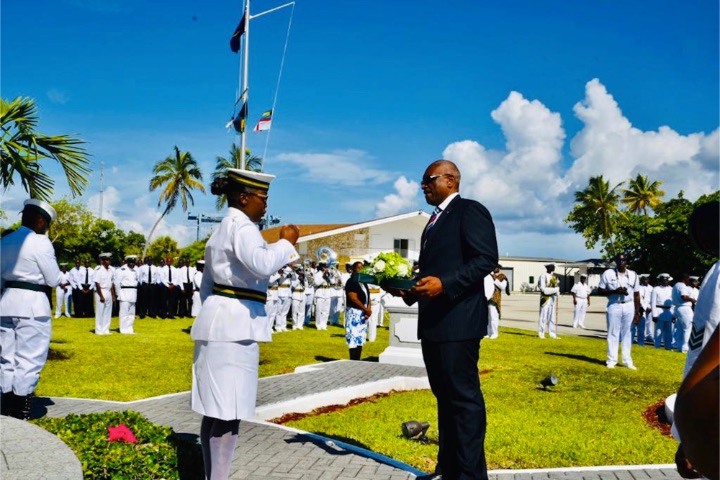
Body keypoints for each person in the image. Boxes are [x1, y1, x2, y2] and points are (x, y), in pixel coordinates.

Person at [391, 160, 498, 480]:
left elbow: (486, 259)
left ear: (450, 181)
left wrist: (445, 284)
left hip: (459, 322)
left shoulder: (469, 211)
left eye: (429, 180)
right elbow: (435, 272)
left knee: (464, 401)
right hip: (435, 322)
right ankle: (448, 469)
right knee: (445, 399)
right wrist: (413, 290)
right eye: (422, 181)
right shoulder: (434, 221)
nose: (423, 186)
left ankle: (469, 475)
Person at [190, 168, 300, 480]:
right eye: (262, 198)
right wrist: (286, 243)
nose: (265, 204)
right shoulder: (243, 227)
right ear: (244, 197)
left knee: (216, 409)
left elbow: (208, 285)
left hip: (218, 321)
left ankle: (214, 476)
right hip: (236, 327)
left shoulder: (222, 229)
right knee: (229, 413)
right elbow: (262, 264)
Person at [0, 199, 62, 420]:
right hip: (32, 305)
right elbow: (53, 279)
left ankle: (5, 408)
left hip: (6, 304)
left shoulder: (4, 241)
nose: (46, 228)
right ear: (39, 221)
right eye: (46, 224)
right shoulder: (40, 242)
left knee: (6, 358)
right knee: (29, 359)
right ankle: (21, 412)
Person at [597, 253, 641, 370]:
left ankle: (627, 360)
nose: (622, 262)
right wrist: (614, 291)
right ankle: (612, 360)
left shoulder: (633, 275)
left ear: (627, 261)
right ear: (615, 261)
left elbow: (636, 294)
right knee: (613, 332)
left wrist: (637, 312)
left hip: (628, 305)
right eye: (619, 260)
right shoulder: (608, 273)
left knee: (627, 333)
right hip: (614, 304)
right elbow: (600, 290)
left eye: (624, 260)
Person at [344, 261, 371, 360]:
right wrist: (365, 309)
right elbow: (353, 298)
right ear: (353, 269)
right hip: (354, 312)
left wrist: (368, 309)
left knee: (360, 337)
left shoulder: (363, 281)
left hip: (363, 312)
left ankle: (358, 359)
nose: (360, 269)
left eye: (362, 267)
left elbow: (368, 296)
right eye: (358, 267)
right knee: (353, 336)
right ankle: (353, 359)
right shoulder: (351, 281)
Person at [114, 255, 139, 334]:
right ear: (127, 262)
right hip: (124, 293)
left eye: (133, 262)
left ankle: (129, 328)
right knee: (124, 313)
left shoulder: (135, 271)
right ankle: (123, 329)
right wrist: (118, 294)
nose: (132, 264)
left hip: (133, 293)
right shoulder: (122, 270)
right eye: (131, 262)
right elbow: (117, 283)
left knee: (131, 313)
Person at [672, 273, 696, 353]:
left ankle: (679, 346)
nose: (688, 280)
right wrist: (692, 300)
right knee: (688, 328)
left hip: (678, 307)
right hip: (684, 308)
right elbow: (684, 297)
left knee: (679, 328)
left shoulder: (676, 285)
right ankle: (685, 347)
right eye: (688, 279)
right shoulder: (682, 285)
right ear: (684, 279)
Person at [94, 252, 116, 335]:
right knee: (100, 312)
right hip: (101, 291)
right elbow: (97, 284)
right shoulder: (99, 270)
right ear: (102, 261)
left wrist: (113, 295)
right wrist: (101, 296)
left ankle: (105, 329)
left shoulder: (110, 270)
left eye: (109, 260)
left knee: (108, 311)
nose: (109, 261)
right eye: (107, 260)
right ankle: (99, 330)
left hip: (108, 291)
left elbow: (111, 283)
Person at [651, 273, 675, 350]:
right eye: (663, 280)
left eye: (666, 280)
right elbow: (653, 303)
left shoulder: (671, 289)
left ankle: (668, 346)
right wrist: (654, 315)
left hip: (669, 311)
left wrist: (673, 315)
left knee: (668, 331)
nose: (665, 281)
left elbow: (673, 303)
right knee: (658, 330)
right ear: (660, 280)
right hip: (659, 310)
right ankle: (657, 346)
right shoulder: (656, 289)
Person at [537, 263, 560, 339]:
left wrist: (557, 292)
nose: (554, 268)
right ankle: (541, 333)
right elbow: (543, 289)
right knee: (543, 316)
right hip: (545, 298)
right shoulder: (543, 276)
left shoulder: (554, 277)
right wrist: (554, 290)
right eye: (552, 267)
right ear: (548, 268)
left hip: (552, 298)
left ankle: (552, 334)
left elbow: (556, 286)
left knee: (552, 317)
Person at [487, 265, 508, 338]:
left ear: (499, 268)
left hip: (495, 299)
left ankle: (494, 333)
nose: (495, 268)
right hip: (487, 299)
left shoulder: (502, 276)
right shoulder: (489, 275)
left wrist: (495, 280)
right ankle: (488, 333)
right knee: (488, 317)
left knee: (493, 317)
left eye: (496, 267)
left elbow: (503, 286)